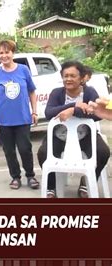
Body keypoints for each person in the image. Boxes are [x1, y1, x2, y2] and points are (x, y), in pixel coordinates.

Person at [37, 61, 110, 198]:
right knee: (43, 153)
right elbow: (49, 113)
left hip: (85, 135)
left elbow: (96, 114)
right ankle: (51, 187)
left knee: (103, 152)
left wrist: (72, 111)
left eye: (72, 76)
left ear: (82, 78)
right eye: (65, 76)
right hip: (59, 136)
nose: (68, 79)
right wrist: (75, 105)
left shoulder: (90, 92)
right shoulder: (57, 93)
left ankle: (86, 182)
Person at [0, 40, 39, 191]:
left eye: (7, 52)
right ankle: (15, 177)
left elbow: (32, 92)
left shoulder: (23, 70)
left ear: (13, 53)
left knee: (25, 148)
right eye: (1, 53)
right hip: (3, 122)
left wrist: (34, 111)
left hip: (22, 119)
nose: (4, 56)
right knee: (9, 151)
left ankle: (30, 175)